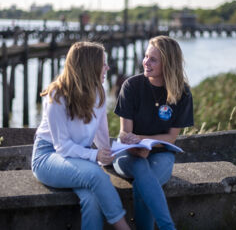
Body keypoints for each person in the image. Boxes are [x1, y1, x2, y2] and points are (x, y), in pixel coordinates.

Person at [31, 41, 130, 230]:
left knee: (92, 199)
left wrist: (107, 155)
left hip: (78, 157)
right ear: (89, 67)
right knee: (96, 176)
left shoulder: (99, 93)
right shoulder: (57, 95)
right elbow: (61, 146)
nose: (107, 68)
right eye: (103, 63)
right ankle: (123, 227)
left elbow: (101, 133)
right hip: (48, 156)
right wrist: (94, 156)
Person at [113, 35, 194, 230]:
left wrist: (144, 141)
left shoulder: (182, 93)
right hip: (127, 153)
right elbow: (125, 134)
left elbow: (171, 138)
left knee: (144, 186)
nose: (146, 62)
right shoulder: (131, 86)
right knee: (142, 169)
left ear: (168, 63)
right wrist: (137, 145)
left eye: (153, 59)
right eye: (146, 56)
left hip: (161, 154)